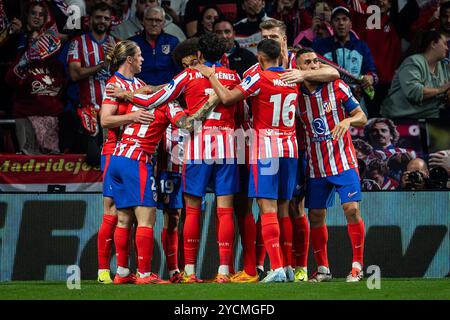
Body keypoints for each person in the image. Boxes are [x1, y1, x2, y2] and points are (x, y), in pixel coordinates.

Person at [110, 33, 240, 284]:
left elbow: (152, 100)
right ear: (223, 55)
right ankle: (225, 271)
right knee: (225, 211)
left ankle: (189, 271)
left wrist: (127, 95)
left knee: (192, 210)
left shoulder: (189, 75)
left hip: (198, 148)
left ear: (199, 55)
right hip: (228, 147)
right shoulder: (233, 77)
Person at [194, 39, 306, 283]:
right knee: (284, 209)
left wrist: (212, 76)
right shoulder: (292, 79)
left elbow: (227, 98)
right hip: (290, 149)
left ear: (261, 58)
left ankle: (275, 268)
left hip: (266, 149)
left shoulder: (259, 77)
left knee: (267, 209)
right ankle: (287, 266)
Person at [292, 47, 368, 282]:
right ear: (298, 68)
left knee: (352, 209)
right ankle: (323, 269)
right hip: (315, 166)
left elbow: (362, 117)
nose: (314, 65)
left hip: (343, 161)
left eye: (316, 61)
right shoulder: (295, 95)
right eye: (308, 62)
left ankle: (357, 265)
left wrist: (347, 120)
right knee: (315, 215)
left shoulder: (337, 86)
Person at [96, 40, 155, 284]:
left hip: (134, 152)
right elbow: (105, 121)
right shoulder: (113, 85)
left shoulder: (138, 84)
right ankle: (102, 271)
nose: (143, 59)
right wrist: (134, 116)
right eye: (139, 55)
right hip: (113, 151)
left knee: (128, 215)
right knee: (111, 211)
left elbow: (158, 90)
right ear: (129, 59)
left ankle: (123, 269)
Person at [6, 1, 65, 155]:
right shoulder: (18, 39)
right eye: (33, 13)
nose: (37, 17)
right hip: (25, 112)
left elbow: (62, 76)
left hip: (50, 112)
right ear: (26, 15)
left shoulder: (54, 44)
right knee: (29, 164)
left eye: (41, 15)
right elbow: (10, 79)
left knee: (51, 165)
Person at [67, 2, 116, 161]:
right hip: (89, 113)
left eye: (106, 18)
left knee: (112, 158)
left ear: (110, 21)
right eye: (98, 17)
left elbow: (126, 76)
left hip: (113, 111)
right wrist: (103, 64)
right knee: (93, 159)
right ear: (89, 20)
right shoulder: (78, 43)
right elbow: (75, 74)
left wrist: (115, 61)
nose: (102, 21)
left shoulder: (116, 44)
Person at [312, 6, 378, 115]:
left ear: (350, 24)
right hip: (328, 101)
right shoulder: (320, 46)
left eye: (344, 19)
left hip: (355, 100)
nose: (341, 23)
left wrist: (370, 78)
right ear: (331, 25)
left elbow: (372, 72)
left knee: (358, 129)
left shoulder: (361, 46)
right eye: (337, 20)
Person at [381, 30, 450, 119]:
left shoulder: (443, 66)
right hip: (402, 119)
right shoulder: (413, 62)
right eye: (444, 44)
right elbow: (414, 93)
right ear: (433, 44)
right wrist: (441, 89)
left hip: (430, 118)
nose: (447, 48)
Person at [129, 6, 180, 86]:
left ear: (163, 23)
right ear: (143, 21)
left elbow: (179, 71)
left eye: (158, 20)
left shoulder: (173, 42)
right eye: (150, 20)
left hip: (167, 91)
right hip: (141, 92)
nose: (154, 24)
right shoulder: (132, 43)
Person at [110, 0, 186, 43]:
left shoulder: (175, 31)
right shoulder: (121, 29)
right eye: (142, 2)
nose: (147, 4)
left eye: (151, 1)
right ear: (136, 6)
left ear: (158, 4)